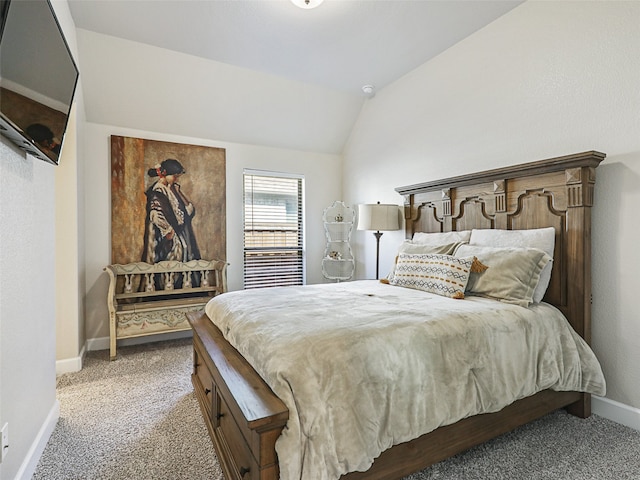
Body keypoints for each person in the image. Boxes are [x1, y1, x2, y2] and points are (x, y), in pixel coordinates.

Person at [141, 158, 201, 287]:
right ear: (165, 174)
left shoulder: (171, 190)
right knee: (170, 264)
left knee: (183, 257)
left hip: (178, 234)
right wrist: (169, 231)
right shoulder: (158, 191)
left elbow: (189, 211)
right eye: (175, 176)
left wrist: (178, 193)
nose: (176, 179)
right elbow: (155, 214)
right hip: (165, 237)